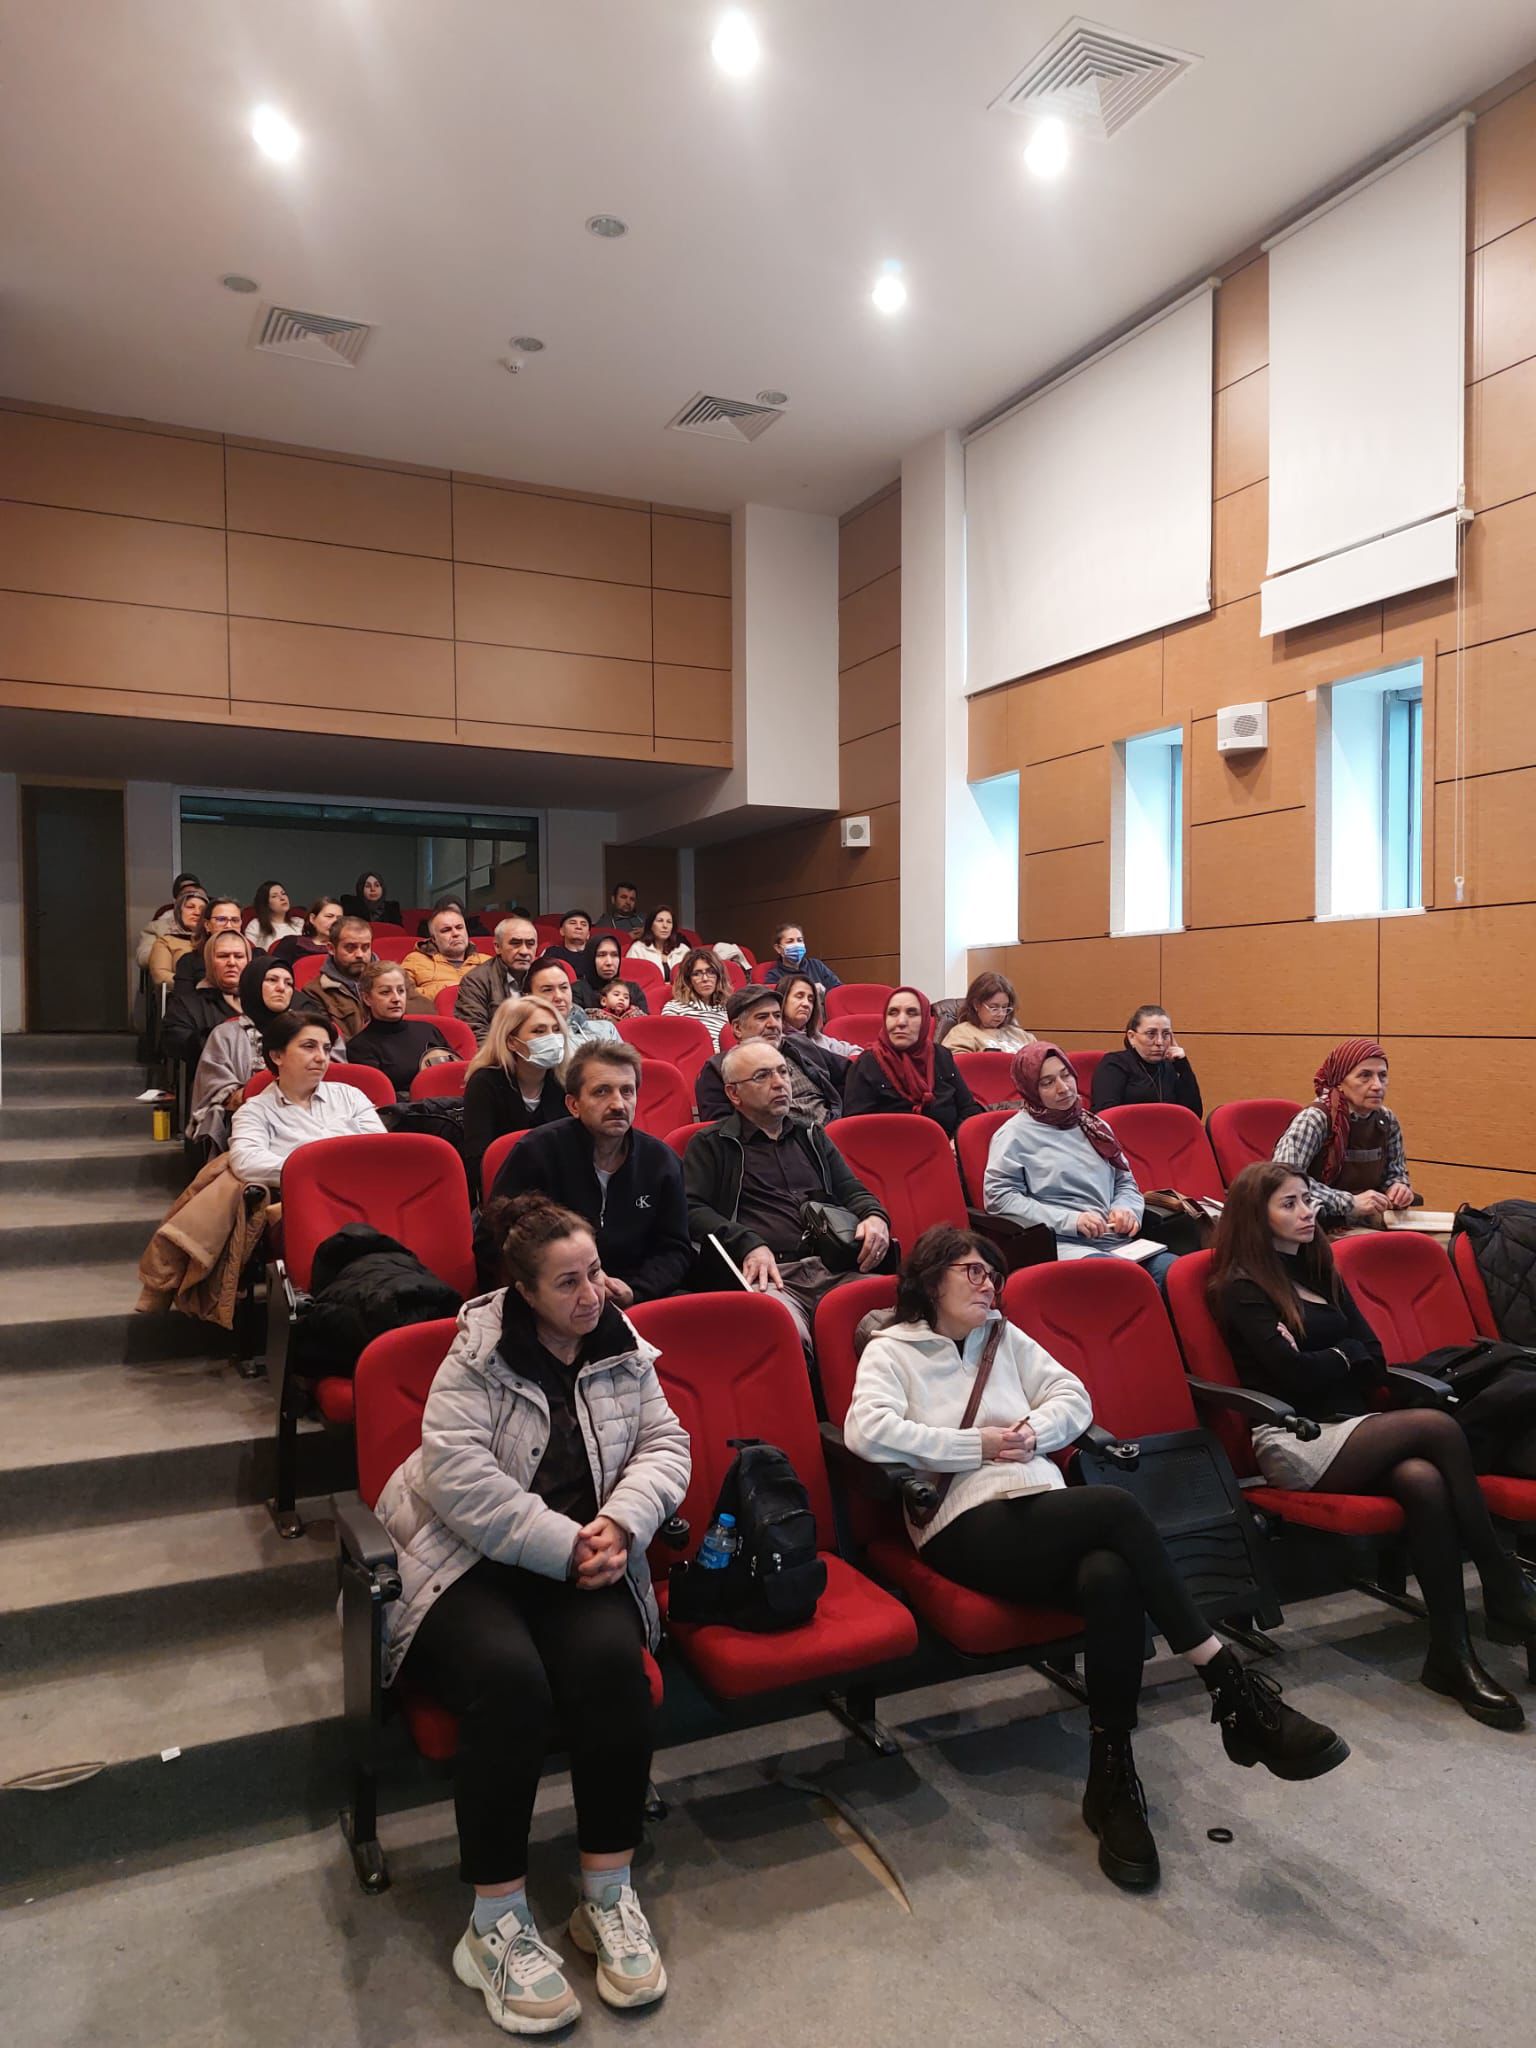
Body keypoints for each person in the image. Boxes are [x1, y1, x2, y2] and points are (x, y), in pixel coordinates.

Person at [847, 1225, 1350, 1890]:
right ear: (929, 1279)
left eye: (992, 1273)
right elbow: (867, 1431)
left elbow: (1074, 1398)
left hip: (1040, 1510)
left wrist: (1034, 1432)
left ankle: (1113, 1776)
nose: (987, 1283)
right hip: (962, 1522)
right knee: (1116, 1508)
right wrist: (979, 1446)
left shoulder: (1004, 1338)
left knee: (1110, 1577)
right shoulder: (893, 1349)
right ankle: (1228, 1684)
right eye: (971, 1270)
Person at [376, 1193, 688, 2029]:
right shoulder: (475, 1355)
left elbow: (666, 1444)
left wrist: (621, 1523)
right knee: (509, 1682)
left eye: (595, 1272)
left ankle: (606, 1897)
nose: (593, 1294)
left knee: (613, 1668)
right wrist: (568, 1544)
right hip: (465, 1561)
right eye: (568, 1283)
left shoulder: (622, 1342)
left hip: (580, 1554)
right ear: (523, 1291)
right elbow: (458, 1480)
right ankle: (494, 1924)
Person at [1210, 1162, 1536, 1729]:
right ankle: (1501, 1578)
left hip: (1354, 1426)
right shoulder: (1241, 1288)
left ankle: (1452, 1655)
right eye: (1289, 1204)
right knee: (1435, 1428)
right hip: (1295, 1438)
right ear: (1254, 1217)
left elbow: (1374, 1357)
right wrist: (1341, 1356)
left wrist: (1328, 1358)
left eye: (1307, 1199)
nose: (1307, 1212)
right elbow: (1293, 1378)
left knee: (1423, 1480)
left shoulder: (1321, 1270)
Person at [684, 1040, 890, 1350]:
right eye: (762, 1076)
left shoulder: (811, 1135)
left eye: (783, 1072)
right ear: (734, 1094)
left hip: (833, 1267)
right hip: (768, 1276)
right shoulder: (712, 1144)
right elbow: (691, 1209)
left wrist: (875, 1217)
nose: (780, 1083)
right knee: (785, 1336)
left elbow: (852, 1190)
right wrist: (748, 1243)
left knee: (908, 1313)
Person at [476, 1043, 691, 1298]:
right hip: (553, 1298)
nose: (618, 1104)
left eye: (627, 1091)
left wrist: (635, 1289)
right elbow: (493, 1243)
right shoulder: (535, 1154)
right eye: (601, 1092)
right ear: (573, 1105)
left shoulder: (661, 1161)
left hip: (634, 1294)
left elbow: (675, 1248)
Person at [983, 1044, 1175, 1286]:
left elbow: (1124, 1182)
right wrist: (1070, 1220)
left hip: (1117, 1241)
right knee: (1125, 1282)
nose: (1063, 1088)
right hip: (1063, 1244)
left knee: (1179, 1274)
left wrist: (1126, 1209)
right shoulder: (1013, 1135)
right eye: (1047, 1083)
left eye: (1066, 1075)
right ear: (1030, 1090)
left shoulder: (1094, 1126)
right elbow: (1000, 1198)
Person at [227, 1011, 387, 1185]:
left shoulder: (351, 1096)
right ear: (277, 1056)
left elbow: (381, 1151)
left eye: (326, 1049)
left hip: (366, 1190)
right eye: (309, 1046)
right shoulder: (254, 1111)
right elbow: (247, 1162)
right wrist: (324, 1172)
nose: (322, 1058)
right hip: (302, 1195)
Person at [1273, 1039, 1415, 1226]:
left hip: (1370, 1220)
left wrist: (1399, 1187)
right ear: (1339, 1081)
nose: (1377, 1085)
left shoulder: (1387, 1120)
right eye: (1365, 1076)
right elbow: (1283, 1179)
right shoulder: (1316, 1118)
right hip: (1317, 1224)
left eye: (1382, 1076)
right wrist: (1349, 1203)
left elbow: (1395, 1173)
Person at [187, 955, 310, 1150]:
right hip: (245, 1128)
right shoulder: (225, 1035)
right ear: (253, 985)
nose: (281, 988)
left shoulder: (306, 1034)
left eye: (289, 983)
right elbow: (218, 1094)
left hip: (304, 1123)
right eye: (272, 980)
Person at [694, 984, 845, 1125]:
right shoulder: (717, 1069)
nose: (773, 1024)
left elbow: (850, 1075)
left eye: (777, 1016)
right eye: (762, 1017)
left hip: (832, 1130)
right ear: (738, 1028)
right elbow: (723, 1131)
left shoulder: (800, 1045)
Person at [462, 996, 573, 1187]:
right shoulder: (485, 1083)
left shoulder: (564, 1081)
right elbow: (478, 1159)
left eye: (556, 1030)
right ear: (512, 1042)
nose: (552, 1038)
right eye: (539, 1031)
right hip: (506, 1188)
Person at [843, 987, 981, 1138]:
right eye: (893, 1013)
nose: (901, 1022)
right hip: (886, 1150)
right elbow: (856, 1129)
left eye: (912, 1013)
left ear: (925, 1021)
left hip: (945, 1148)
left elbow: (969, 1109)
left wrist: (956, 1141)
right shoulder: (867, 1063)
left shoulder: (941, 1056)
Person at [345, 961, 459, 1101]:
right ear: (367, 999)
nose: (396, 999)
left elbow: (457, 1075)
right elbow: (381, 1098)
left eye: (400, 991)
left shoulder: (429, 1030)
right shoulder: (359, 1047)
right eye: (385, 992)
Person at [1092, 1005, 1203, 1116]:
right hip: (1126, 1127)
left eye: (1166, 1034)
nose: (1159, 1042)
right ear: (1131, 1037)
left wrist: (1183, 1066)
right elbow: (1105, 1115)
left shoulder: (1170, 1067)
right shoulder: (1114, 1064)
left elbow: (1193, 1115)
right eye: (1151, 1034)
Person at [162, 930, 252, 1065]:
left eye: (239, 956)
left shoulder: (263, 1000)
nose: (232, 962)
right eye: (223, 956)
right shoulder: (186, 1005)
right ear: (209, 961)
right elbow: (175, 1044)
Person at [456, 913, 541, 1044]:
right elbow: (475, 1033)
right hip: (499, 1052)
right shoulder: (476, 980)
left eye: (530, 944)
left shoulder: (544, 975)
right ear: (497, 947)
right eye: (515, 944)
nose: (524, 951)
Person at [293, 916, 376, 1042]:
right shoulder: (315, 992)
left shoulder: (394, 981)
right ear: (331, 949)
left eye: (365, 947)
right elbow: (330, 1042)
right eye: (350, 947)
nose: (360, 954)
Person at [526, 956, 621, 1054]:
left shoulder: (606, 1030)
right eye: (547, 990)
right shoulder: (527, 1039)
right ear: (529, 996)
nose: (559, 996)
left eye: (564, 987)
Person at [940, 973, 1035, 1055]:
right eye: (994, 1007)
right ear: (976, 1005)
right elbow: (957, 1064)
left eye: (1005, 1007)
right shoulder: (962, 1033)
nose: (1001, 1014)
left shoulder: (1021, 1035)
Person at [777, 970, 864, 1060]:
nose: (806, 1004)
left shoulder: (818, 1038)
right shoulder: (774, 1040)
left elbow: (857, 1052)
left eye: (811, 1000)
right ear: (782, 1000)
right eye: (799, 996)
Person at [403, 905, 482, 1003]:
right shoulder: (415, 960)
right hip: (434, 1011)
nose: (455, 933)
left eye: (459, 927)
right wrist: (448, 991)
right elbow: (403, 995)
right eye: (446, 930)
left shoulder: (488, 961)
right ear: (434, 939)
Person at [661, 947, 730, 1050]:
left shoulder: (728, 1008)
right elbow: (671, 1046)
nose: (705, 979)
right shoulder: (674, 1008)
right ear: (688, 980)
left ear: (719, 976)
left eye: (711, 972)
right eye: (697, 974)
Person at [171, 897, 247, 984]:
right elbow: (183, 992)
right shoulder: (188, 962)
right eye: (221, 919)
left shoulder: (256, 956)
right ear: (207, 925)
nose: (229, 926)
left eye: (235, 920)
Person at [574, 934, 651, 1017]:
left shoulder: (632, 989)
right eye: (601, 955)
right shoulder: (577, 991)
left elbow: (644, 1022)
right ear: (590, 958)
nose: (609, 962)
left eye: (614, 955)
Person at [146, 887, 209, 986]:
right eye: (190, 907)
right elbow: (160, 976)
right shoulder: (166, 942)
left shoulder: (215, 941)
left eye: (202, 909)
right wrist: (196, 984)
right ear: (179, 912)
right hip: (182, 992)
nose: (197, 913)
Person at [135, 873, 202, 966]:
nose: (196, 911)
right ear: (177, 902)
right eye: (190, 905)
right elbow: (142, 958)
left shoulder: (212, 925)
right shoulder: (157, 927)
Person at [762, 922, 842, 993]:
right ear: (778, 948)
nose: (796, 944)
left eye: (800, 940)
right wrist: (810, 990)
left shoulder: (816, 965)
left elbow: (838, 990)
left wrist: (824, 992)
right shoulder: (774, 976)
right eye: (790, 941)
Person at [270, 896, 343, 968]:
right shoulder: (292, 942)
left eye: (339, 918)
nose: (335, 921)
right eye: (329, 916)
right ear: (312, 919)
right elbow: (275, 970)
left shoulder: (344, 949)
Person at [625, 907, 688, 974]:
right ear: (650, 925)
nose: (665, 926)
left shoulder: (682, 950)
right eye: (660, 921)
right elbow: (629, 976)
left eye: (669, 922)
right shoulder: (638, 949)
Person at [244, 880, 304, 950]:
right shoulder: (255, 925)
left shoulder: (300, 922)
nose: (282, 898)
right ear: (266, 903)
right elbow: (250, 952)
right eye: (274, 896)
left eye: (283, 893)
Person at [543, 909, 594, 977]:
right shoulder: (553, 952)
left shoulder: (595, 954)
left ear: (588, 935)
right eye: (573, 923)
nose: (579, 927)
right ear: (562, 931)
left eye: (583, 924)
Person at [415, 894, 489, 938]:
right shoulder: (428, 929)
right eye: (448, 912)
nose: (455, 933)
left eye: (456, 913)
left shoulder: (476, 928)